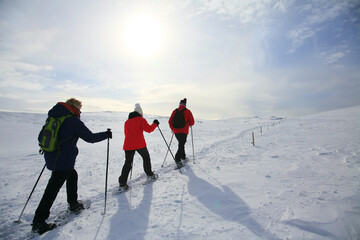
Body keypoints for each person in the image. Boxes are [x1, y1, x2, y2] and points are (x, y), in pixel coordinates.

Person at [32, 98, 112, 234]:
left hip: (52, 156)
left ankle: (73, 203)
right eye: (80, 109)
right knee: (52, 188)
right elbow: (90, 137)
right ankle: (39, 222)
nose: (80, 112)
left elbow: (41, 138)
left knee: (72, 175)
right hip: (63, 160)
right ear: (75, 108)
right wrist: (106, 134)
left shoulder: (53, 117)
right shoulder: (73, 120)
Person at [118, 103, 159, 191]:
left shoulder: (127, 122)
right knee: (146, 157)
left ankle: (122, 183)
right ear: (140, 113)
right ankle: (150, 174)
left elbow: (126, 134)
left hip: (128, 145)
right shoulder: (141, 119)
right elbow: (149, 129)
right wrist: (155, 124)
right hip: (139, 144)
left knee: (128, 163)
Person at [168, 98, 195, 168]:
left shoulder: (175, 111)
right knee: (181, 144)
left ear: (179, 104)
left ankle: (183, 157)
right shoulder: (188, 111)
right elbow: (192, 122)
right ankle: (177, 159)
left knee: (181, 144)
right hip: (184, 131)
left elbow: (170, 121)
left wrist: (173, 129)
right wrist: (188, 123)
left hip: (176, 131)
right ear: (185, 105)